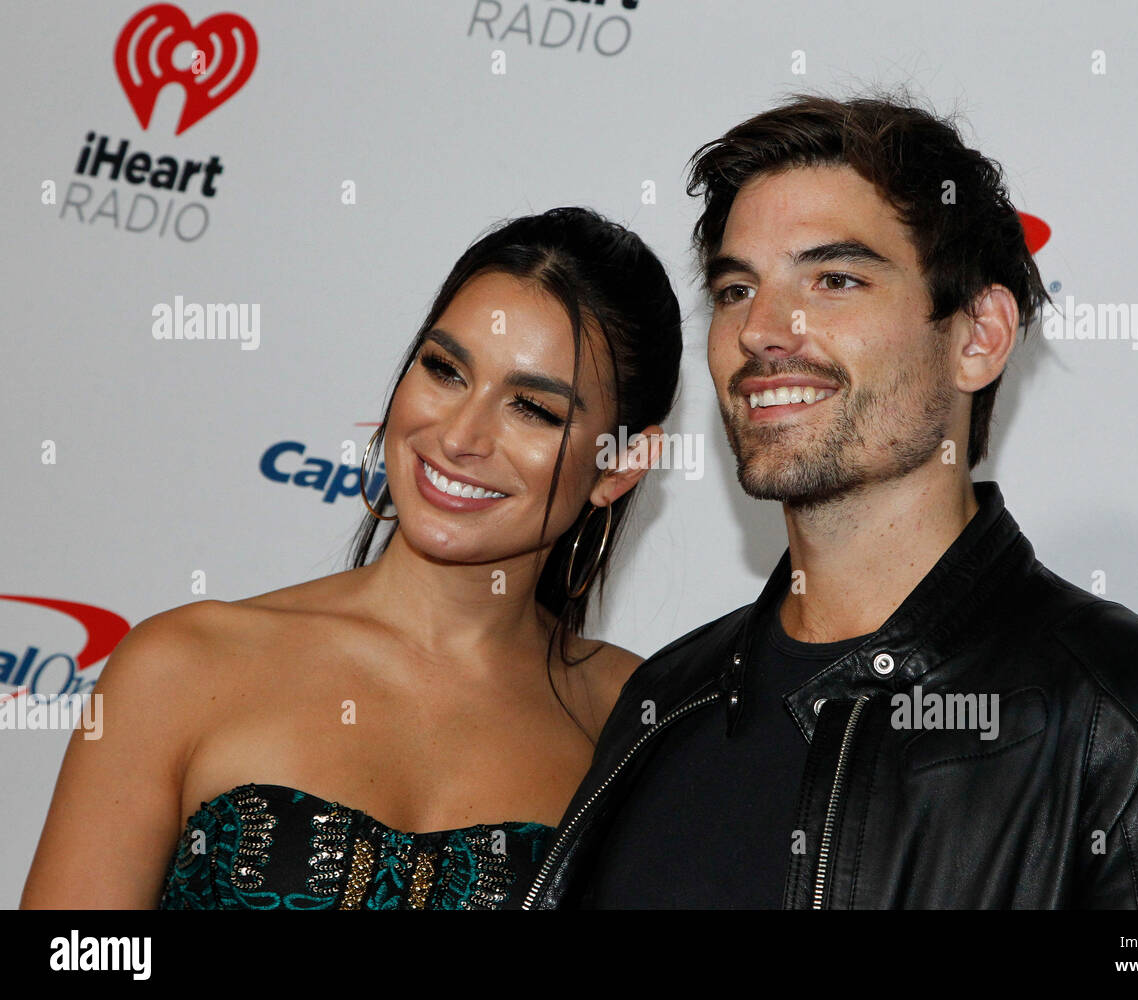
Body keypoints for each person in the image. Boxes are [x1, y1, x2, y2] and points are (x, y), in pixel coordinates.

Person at [521, 93, 1138, 909]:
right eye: (734, 289)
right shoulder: (664, 704)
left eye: (834, 278)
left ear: (978, 337)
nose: (762, 329)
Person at [20, 206, 683, 909]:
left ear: (620, 465)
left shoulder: (636, 724)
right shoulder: (181, 665)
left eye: (532, 409)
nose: (460, 435)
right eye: (445, 369)